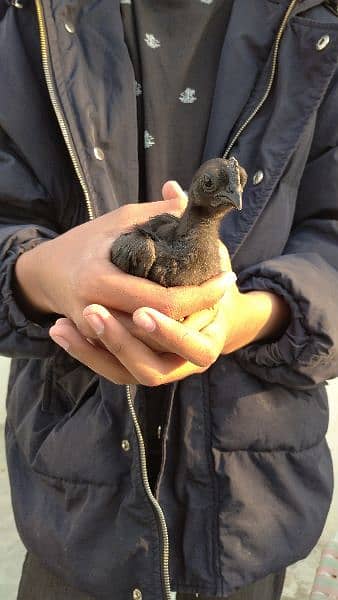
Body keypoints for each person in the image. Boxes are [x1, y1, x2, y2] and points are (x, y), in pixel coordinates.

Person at [1, 0, 338, 598]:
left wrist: (252, 316)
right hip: (75, 513)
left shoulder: (319, 22)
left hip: (249, 511)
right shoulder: (26, 18)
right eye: (219, 187)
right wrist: (43, 276)